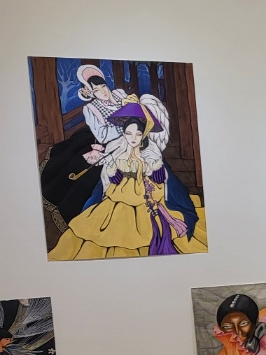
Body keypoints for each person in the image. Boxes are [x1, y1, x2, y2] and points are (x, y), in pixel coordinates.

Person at [49, 104, 201, 260]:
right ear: (124, 133)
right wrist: (111, 171)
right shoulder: (118, 149)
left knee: (148, 222)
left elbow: (156, 172)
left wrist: (156, 168)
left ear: (143, 134)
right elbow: (110, 170)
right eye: (129, 134)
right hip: (120, 192)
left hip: (144, 191)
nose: (133, 138)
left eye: (138, 134)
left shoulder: (150, 152)